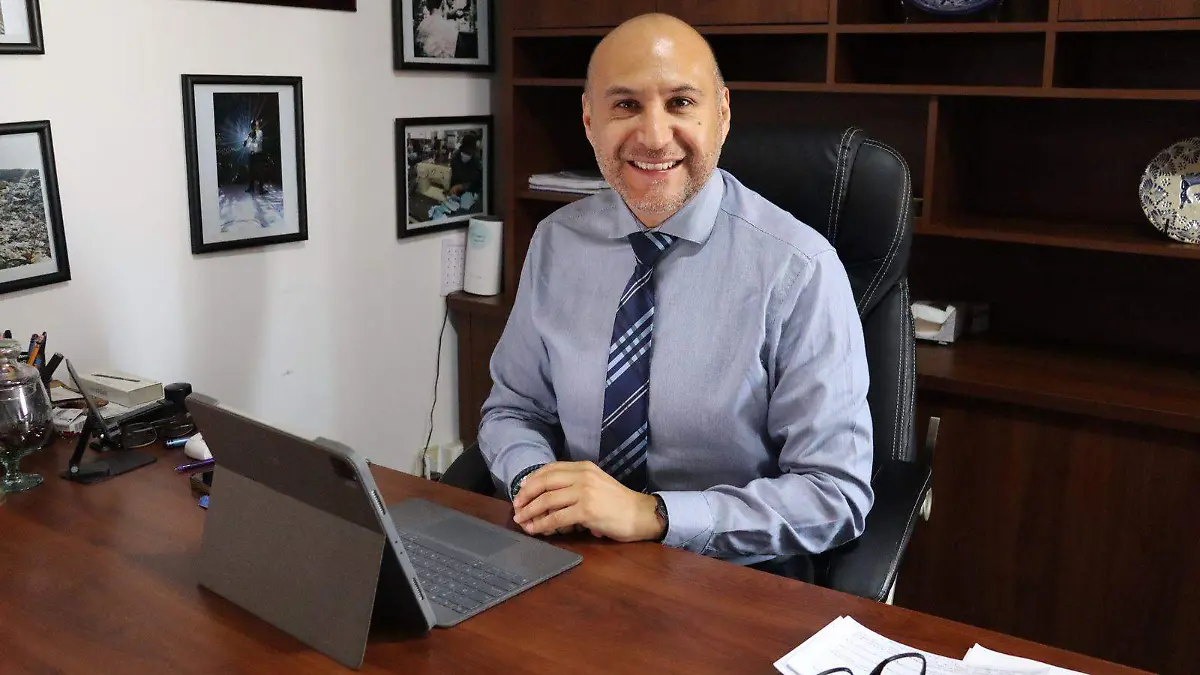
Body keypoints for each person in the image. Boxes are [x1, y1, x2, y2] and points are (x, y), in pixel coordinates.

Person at [478, 13, 874, 577]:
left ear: (723, 114)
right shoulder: (557, 242)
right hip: (574, 560)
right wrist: (534, 482)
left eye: (681, 102)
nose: (655, 136)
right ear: (589, 121)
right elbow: (514, 410)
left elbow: (834, 494)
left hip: (731, 576)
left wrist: (655, 515)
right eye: (625, 105)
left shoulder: (800, 268)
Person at [448, 134, 482, 198]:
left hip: (469, 195)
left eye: (469, 153)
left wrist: (462, 186)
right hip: (453, 193)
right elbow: (451, 176)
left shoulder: (476, 162)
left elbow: (477, 183)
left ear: (473, 151)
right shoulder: (455, 157)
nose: (466, 155)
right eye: (465, 152)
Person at [243, 119, 266, 195]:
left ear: (257, 125)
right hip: (251, 155)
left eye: (254, 125)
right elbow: (247, 145)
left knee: (260, 172)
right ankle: (251, 188)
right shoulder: (250, 133)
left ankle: (261, 189)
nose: (253, 126)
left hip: (258, 154)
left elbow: (258, 142)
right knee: (251, 172)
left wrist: (251, 141)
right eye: (252, 125)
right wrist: (246, 142)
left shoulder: (260, 132)